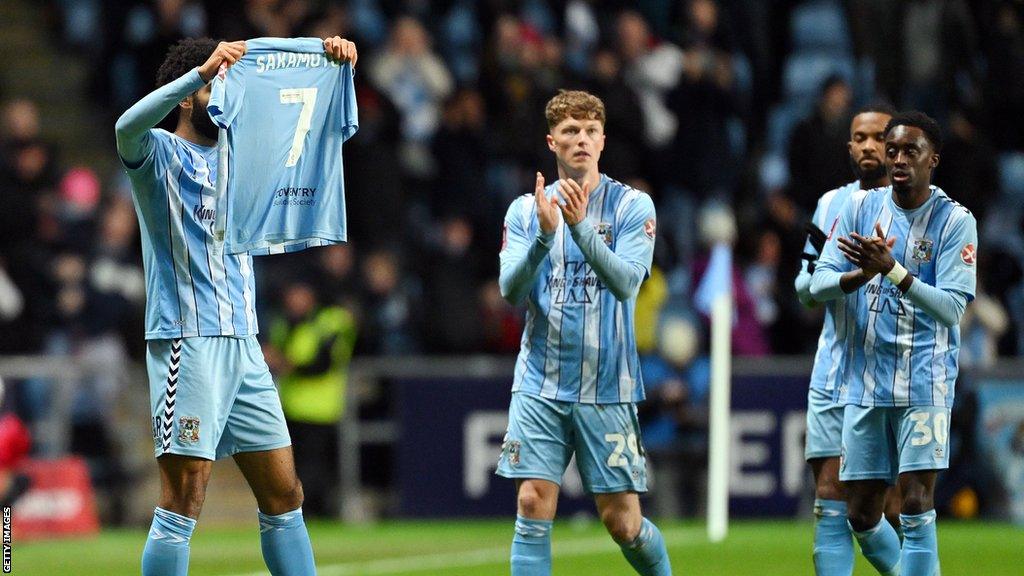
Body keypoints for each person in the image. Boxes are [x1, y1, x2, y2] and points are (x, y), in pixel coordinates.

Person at [115, 36, 357, 576]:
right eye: (214, 87)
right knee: (185, 498)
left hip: (246, 347)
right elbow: (123, 128)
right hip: (188, 342)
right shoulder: (157, 155)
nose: (226, 98)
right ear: (188, 95)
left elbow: (303, 123)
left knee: (284, 493)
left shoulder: (241, 157)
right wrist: (200, 72)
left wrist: (326, 55)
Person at [496, 90, 671, 576]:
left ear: (603, 141)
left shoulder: (633, 206)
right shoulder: (525, 210)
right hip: (539, 384)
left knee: (623, 523)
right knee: (531, 502)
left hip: (608, 386)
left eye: (590, 131)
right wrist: (545, 239)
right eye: (570, 131)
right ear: (552, 142)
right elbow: (511, 291)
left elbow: (627, 282)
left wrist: (579, 230)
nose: (581, 140)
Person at [811, 111, 977, 576]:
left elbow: (952, 309)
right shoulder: (862, 208)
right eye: (894, 150)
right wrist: (856, 275)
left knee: (916, 503)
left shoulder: (955, 221)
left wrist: (894, 272)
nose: (899, 159)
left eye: (911, 151)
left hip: (925, 380)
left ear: (933, 159)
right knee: (861, 515)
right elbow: (818, 284)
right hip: (865, 381)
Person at [795, 104, 899, 575]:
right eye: (861, 138)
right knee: (829, 498)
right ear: (850, 146)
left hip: (888, 376)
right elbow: (803, 281)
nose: (870, 146)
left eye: (880, 138)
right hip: (832, 370)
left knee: (869, 511)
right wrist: (835, 280)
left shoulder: (916, 206)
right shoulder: (828, 205)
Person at [266, 281, 357, 518]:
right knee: (294, 468)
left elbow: (324, 363)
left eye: (298, 293)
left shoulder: (331, 320)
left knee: (316, 468)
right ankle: (299, 513)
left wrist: (286, 364)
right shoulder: (284, 322)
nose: (294, 300)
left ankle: (318, 513)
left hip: (321, 410)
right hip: (291, 408)